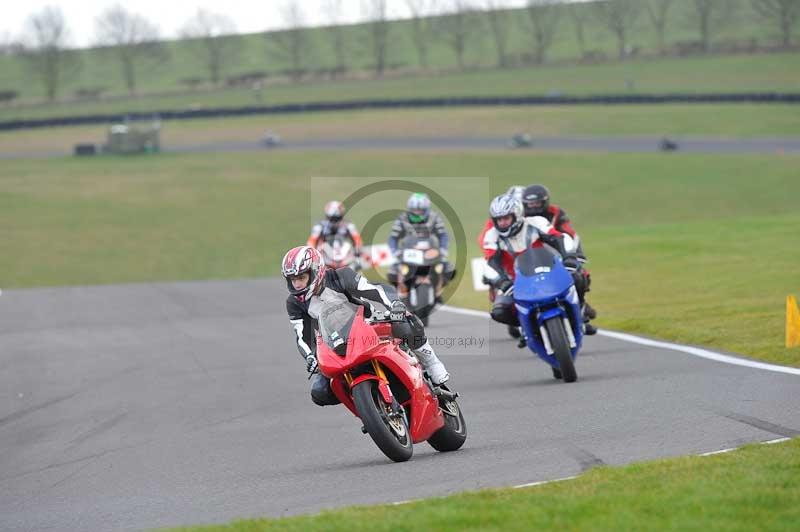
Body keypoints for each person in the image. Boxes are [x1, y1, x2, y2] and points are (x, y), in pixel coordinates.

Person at [282, 245, 450, 406]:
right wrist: (310, 357)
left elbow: (375, 289)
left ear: (315, 271)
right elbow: (302, 335)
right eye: (293, 279)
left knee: (406, 322)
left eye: (301, 278)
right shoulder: (294, 303)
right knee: (320, 392)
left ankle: (431, 363)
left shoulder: (340, 276)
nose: (296, 284)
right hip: (335, 343)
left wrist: (395, 305)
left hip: (368, 325)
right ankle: (367, 405)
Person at [481, 194, 595, 338]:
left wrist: (569, 258)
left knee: (578, 277)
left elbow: (559, 238)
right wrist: (502, 281)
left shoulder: (536, 222)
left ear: (517, 215)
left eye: (506, 218)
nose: (502, 223)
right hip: (514, 281)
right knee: (499, 312)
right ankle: (526, 328)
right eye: (499, 220)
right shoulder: (491, 236)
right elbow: (490, 262)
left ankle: (580, 312)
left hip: (547, 270)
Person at [521, 184, 597, 332]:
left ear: (545, 202)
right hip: (530, 257)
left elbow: (569, 234)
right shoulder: (520, 217)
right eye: (530, 204)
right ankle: (525, 325)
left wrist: (574, 255)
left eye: (537, 203)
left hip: (557, 253)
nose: (533, 207)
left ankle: (580, 307)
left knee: (579, 276)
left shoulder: (556, 213)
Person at [387, 193, 454, 303]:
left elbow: (443, 235)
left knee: (448, 268)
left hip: (430, 253)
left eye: (420, 210)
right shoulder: (402, 219)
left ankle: (437, 291)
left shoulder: (434, 218)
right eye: (414, 210)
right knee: (393, 272)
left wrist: (443, 250)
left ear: (426, 209)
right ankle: (402, 294)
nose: (417, 213)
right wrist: (395, 252)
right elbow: (393, 238)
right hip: (409, 254)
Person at [306, 201, 363, 267]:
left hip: (344, 253)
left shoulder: (348, 225)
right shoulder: (319, 226)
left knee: (354, 264)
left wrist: (357, 253)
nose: (334, 221)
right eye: (331, 219)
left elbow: (357, 239)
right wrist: (313, 256)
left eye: (337, 218)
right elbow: (312, 241)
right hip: (325, 254)